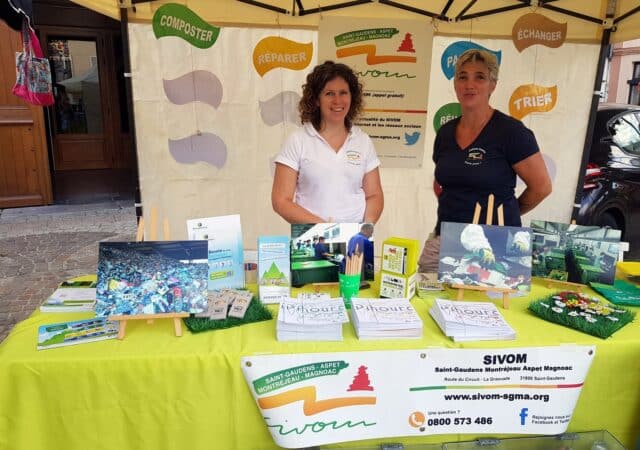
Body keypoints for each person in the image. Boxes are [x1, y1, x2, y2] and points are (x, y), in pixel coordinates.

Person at [418, 49, 552, 273]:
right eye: (463, 77)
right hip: (447, 241)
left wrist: (510, 212)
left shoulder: (511, 132)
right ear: (455, 84)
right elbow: (444, 181)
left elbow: (542, 187)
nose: (469, 85)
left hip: (495, 245)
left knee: (489, 296)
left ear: (493, 85)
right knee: (426, 293)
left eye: (479, 77)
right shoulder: (445, 133)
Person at [271, 61, 384, 224]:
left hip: (356, 236)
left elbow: (374, 195)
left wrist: (367, 226)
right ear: (316, 100)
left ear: (352, 97)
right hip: (311, 235)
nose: (337, 100)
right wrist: (324, 229)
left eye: (343, 93)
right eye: (329, 93)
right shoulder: (298, 140)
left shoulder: (363, 141)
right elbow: (281, 201)